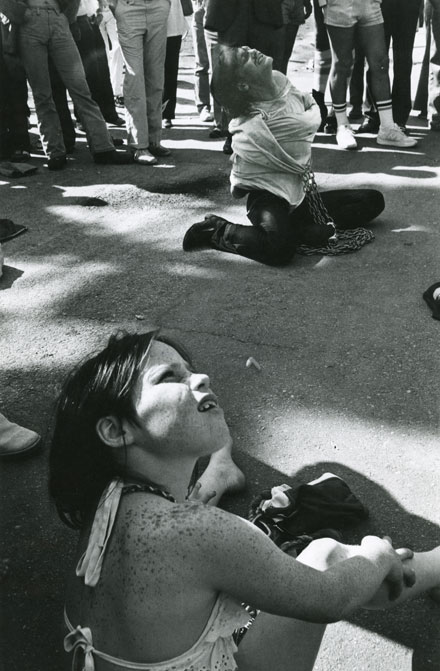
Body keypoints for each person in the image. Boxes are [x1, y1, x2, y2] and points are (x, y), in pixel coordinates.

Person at [50, 330, 440, 671]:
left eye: (190, 369)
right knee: (329, 557)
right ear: (115, 429)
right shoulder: (198, 532)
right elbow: (330, 597)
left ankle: (220, 470)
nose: (201, 377)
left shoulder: (106, 504)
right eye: (170, 377)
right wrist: (378, 554)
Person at [183, 45, 384, 266]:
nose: (252, 50)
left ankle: (297, 230)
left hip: (298, 193)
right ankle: (218, 230)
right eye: (245, 57)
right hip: (267, 196)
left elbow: (311, 110)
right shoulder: (250, 127)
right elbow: (241, 177)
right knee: (280, 250)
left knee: (372, 201)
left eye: (247, 49)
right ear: (243, 84)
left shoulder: (283, 85)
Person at [14, 0, 132, 169]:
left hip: (58, 20)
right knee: (42, 94)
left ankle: (103, 148)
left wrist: (66, 17)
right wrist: (21, 14)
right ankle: (54, 152)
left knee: (81, 89)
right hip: (30, 24)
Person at [321, 0, 418, 149]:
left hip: (369, 4)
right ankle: (342, 126)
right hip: (338, 4)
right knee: (342, 63)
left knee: (380, 62)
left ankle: (387, 128)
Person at [113, 0, 171, 165]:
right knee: (135, 76)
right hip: (129, 7)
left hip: (158, 7)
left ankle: (153, 140)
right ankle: (139, 145)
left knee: (156, 76)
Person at [162, 0, 188, 129]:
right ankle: (151, 114)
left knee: (170, 72)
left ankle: (167, 113)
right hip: (147, 24)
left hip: (172, 24)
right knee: (150, 73)